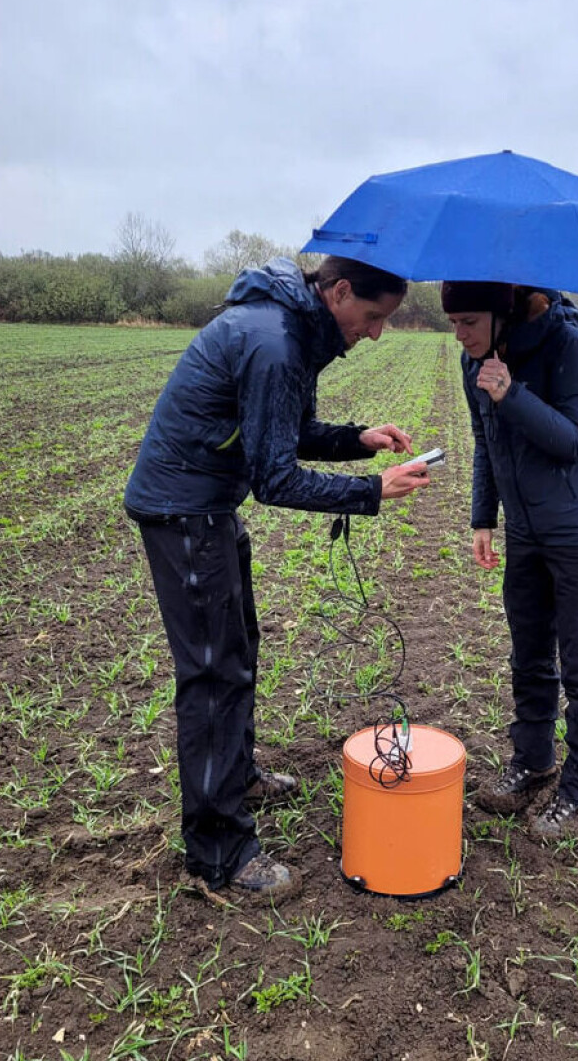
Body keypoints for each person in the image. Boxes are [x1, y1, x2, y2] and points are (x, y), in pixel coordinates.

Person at [125, 256, 429, 899]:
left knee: (238, 649)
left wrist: (357, 439)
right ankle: (219, 853)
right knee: (213, 673)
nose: (376, 333)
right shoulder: (274, 340)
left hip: (207, 505)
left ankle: (236, 780)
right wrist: (373, 492)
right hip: (184, 510)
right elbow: (275, 478)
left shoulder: (291, 327)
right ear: (340, 292)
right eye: (373, 317)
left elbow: (280, 434)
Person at [442, 280, 578, 839]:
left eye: (469, 321)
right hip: (526, 533)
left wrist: (511, 394)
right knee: (528, 656)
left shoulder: (570, 348)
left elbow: (577, 443)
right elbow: (484, 442)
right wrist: (483, 518)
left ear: (503, 314)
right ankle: (533, 760)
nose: (460, 333)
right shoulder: (475, 359)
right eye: (453, 323)